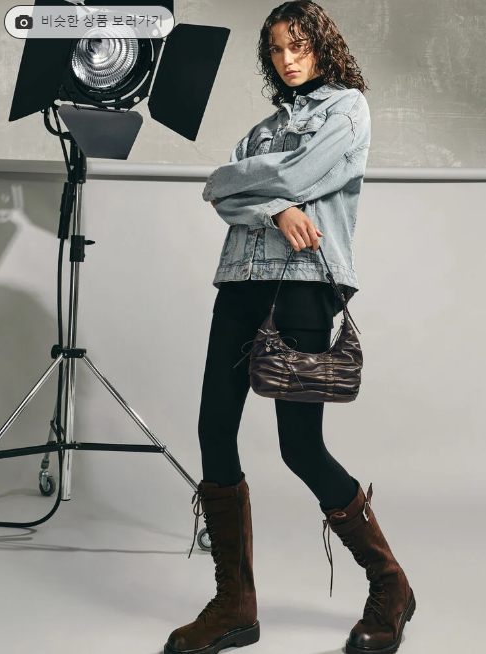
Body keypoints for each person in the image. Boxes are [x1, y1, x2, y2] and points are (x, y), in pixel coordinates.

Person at [164, 2, 415, 654]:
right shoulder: (262, 129)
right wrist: (275, 206)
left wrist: (255, 190)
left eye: (298, 45)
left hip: (304, 282)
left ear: (322, 46)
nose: (287, 59)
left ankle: (390, 585)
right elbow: (219, 191)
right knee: (213, 428)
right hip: (239, 280)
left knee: (299, 447)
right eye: (276, 48)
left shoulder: (347, 110)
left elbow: (286, 176)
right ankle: (234, 606)